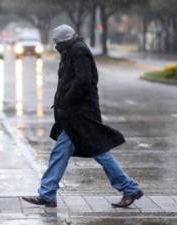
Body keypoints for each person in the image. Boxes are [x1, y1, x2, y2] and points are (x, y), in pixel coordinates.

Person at [22, 24, 143, 208]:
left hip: (81, 114)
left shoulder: (78, 51)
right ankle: (47, 193)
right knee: (69, 152)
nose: (56, 46)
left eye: (58, 43)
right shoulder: (70, 51)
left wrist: (67, 100)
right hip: (72, 115)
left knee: (95, 151)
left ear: (65, 41)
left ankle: (129, 187)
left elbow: (83, 80)